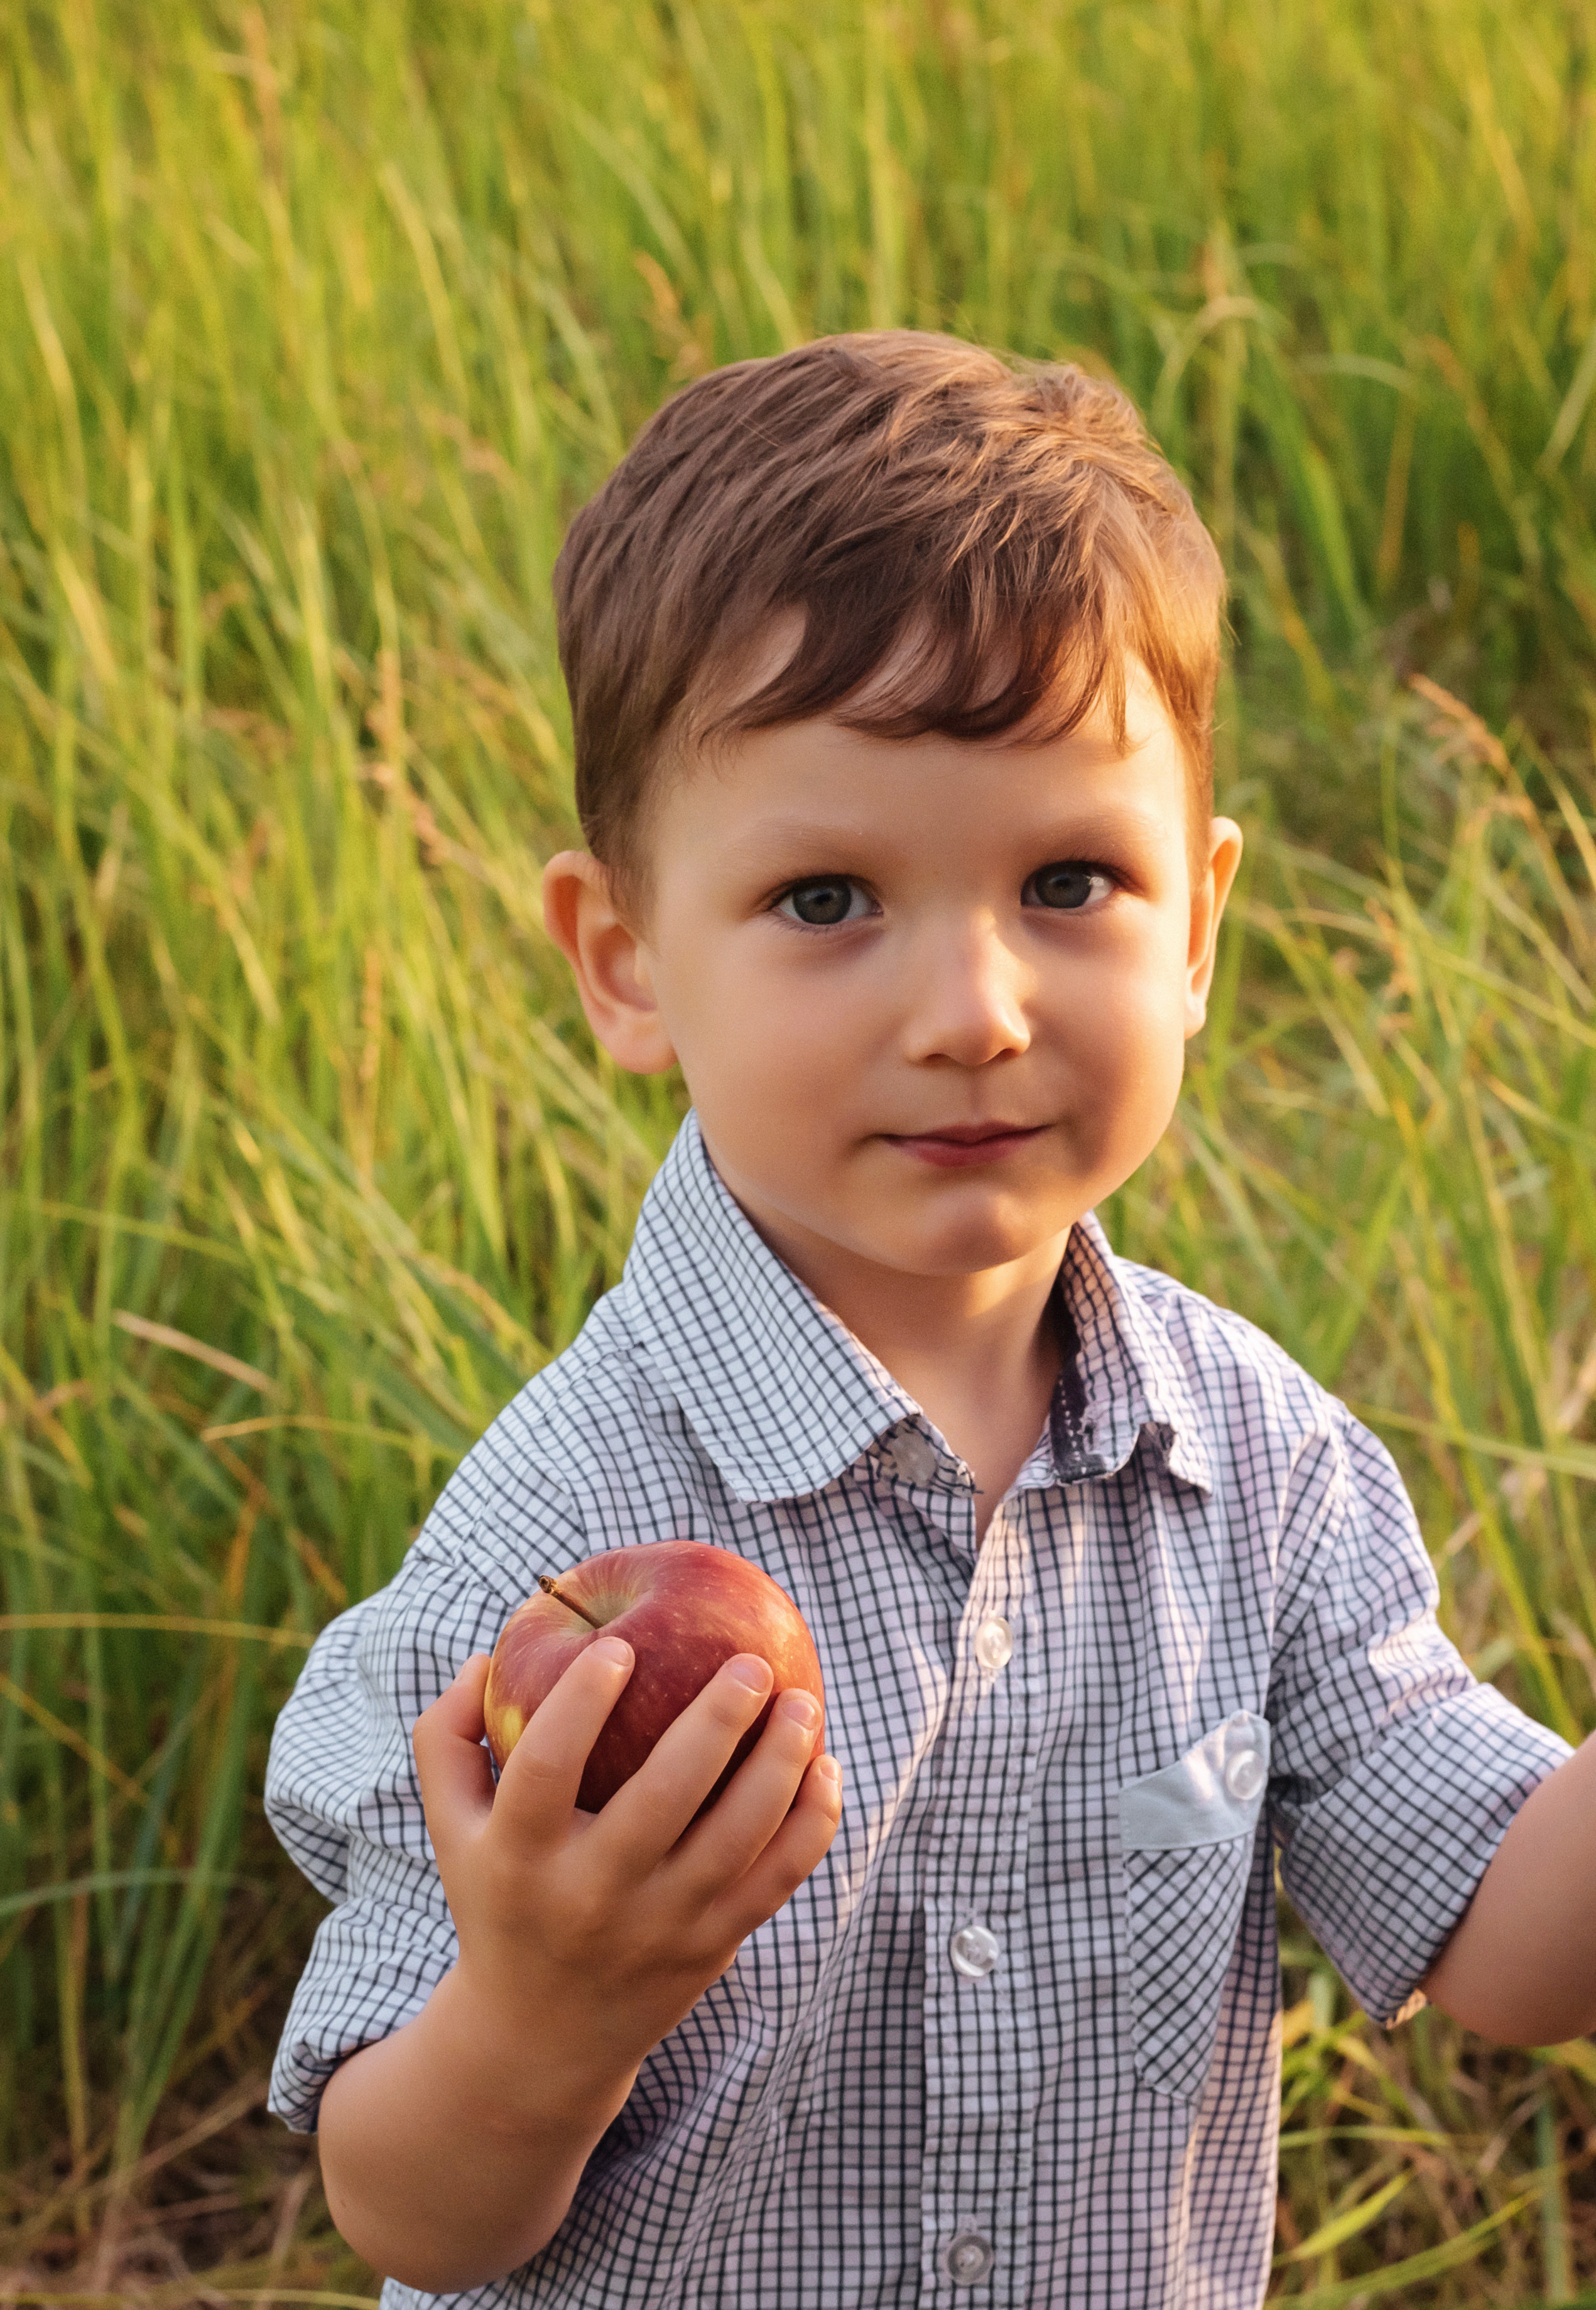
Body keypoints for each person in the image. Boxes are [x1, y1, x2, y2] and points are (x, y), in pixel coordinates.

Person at [264, 333, 1593, 2310]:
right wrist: (545, 2014)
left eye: (1072, 881)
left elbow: (1505, 1940)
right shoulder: (563, 1540)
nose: (973, 1005)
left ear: (1204, 926)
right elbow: (413, 2210)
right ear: (625, 965)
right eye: (826, 900)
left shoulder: (1266, 1471)